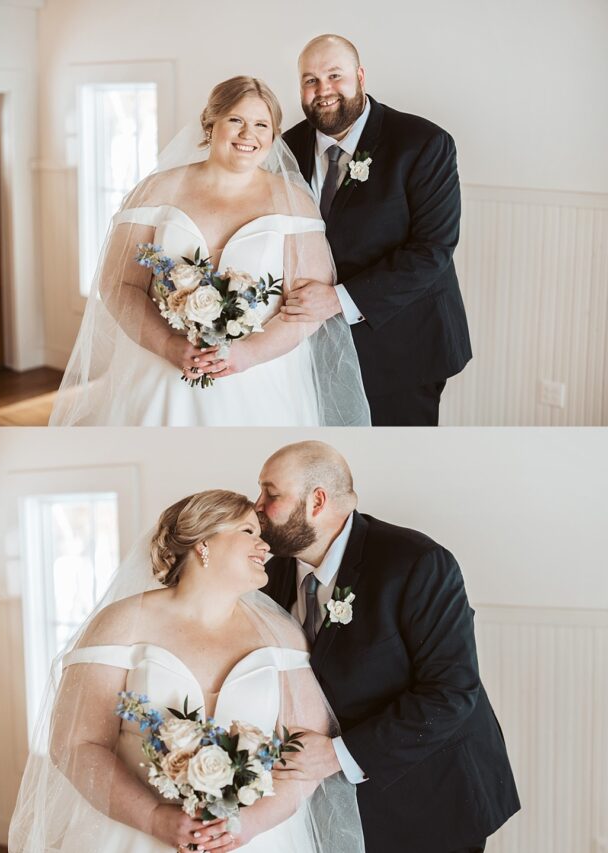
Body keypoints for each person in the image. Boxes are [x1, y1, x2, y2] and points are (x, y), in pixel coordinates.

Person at [8, 490, 364, 853]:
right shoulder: (120, 625)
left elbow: (304, 755)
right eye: (248, 532)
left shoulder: (281, 635)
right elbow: (76, 743)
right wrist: (152, 817)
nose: (265, 547)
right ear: (203, 542)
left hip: (255, 840)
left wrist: (247, 825)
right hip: (135, 835)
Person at [49, 76, 369, 427]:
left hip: (260, 381)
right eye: (236, 120)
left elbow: (308, 307)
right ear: (210, 123)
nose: (249, 135)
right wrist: (168, 345)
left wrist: (248, 354)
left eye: (261, 124)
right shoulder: (156, 190)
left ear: (274, 134)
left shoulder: (294, 202)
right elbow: (118, 284)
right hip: (162, 372)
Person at [257, 441, 521, 853]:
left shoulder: (416, 563)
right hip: (327, 809)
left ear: (317, 502)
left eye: (270, 495)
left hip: (431, 799)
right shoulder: (268, 575)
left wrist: (334, 756)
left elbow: (450, 694)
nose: (256, 506)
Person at [280, 35, 472, 426]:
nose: (323, 90)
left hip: (403, 347)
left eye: (335, 75)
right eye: (310, 80)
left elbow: (432, 249)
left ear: (360, 76)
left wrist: (338, 299)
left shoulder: (423, 143)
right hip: (307, 350)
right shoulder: (286, 148)